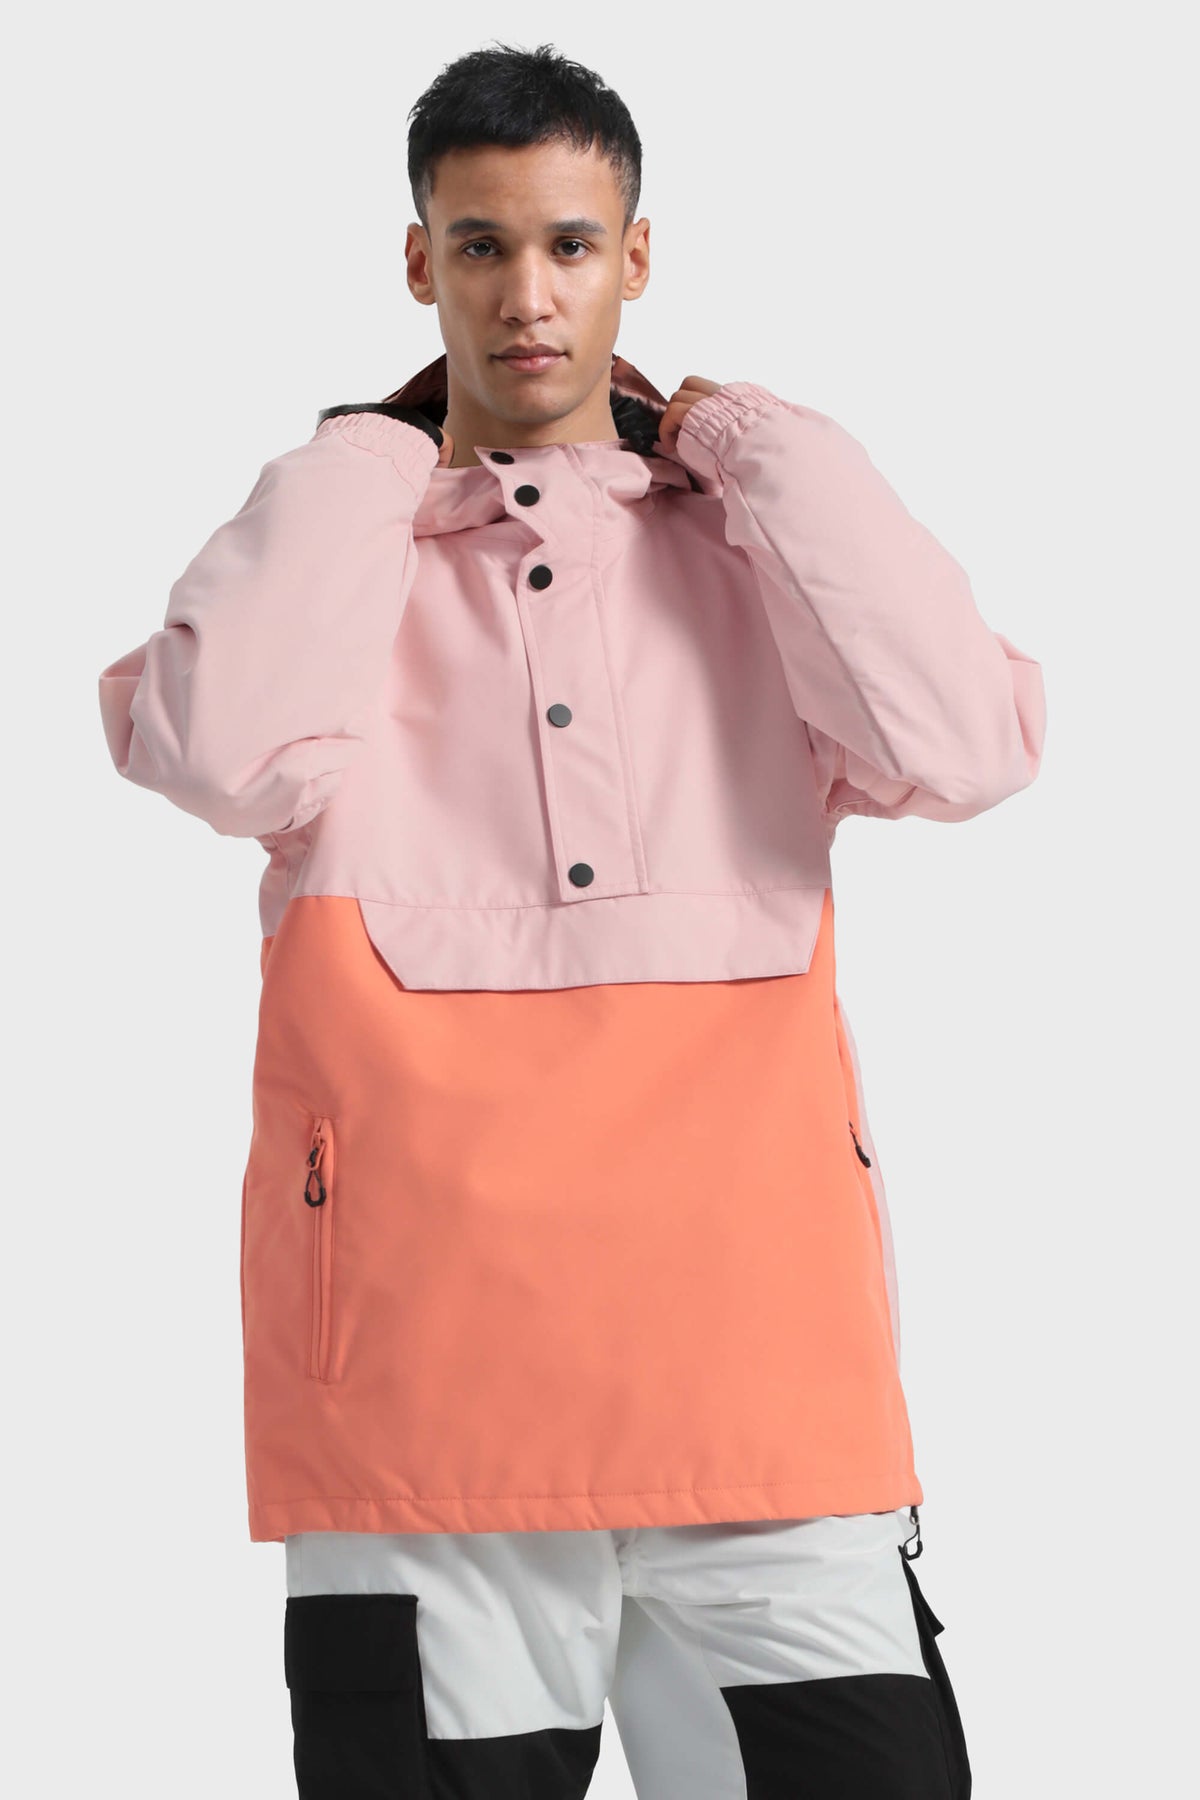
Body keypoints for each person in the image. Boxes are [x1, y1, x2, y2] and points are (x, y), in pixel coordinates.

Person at [97, 38, 1045, 1800]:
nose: (526, 296)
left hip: (770, 1411)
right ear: (419, 262)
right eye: (479, 246)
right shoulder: (349, 566)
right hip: (421, 1427)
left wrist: (746, 445)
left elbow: (967, 746)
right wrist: (375, 453)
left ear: (637, 256)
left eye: (569, 245)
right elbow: (217, 753)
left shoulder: (748, 559)